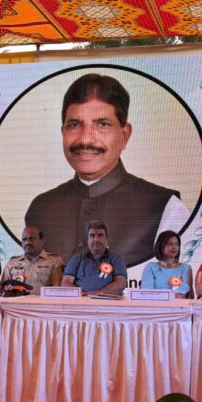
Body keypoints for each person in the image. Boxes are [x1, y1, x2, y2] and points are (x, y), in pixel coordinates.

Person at [25, 73, 188, 266]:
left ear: (124, 135)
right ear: (63, 132)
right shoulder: (40, 208)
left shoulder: (165, 206)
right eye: (74, 125)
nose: (86, 139)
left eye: (102, 124)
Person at [62, 220, 127, 295]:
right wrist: (83, 294)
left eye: (100, 235)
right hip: (81, 299)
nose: (96, 239)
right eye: (92, 235)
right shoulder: (77, 259)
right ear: (88, 240)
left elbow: (121, 283)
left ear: (106, 239)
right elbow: (65, 283)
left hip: (107, 299)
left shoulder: (116, 259)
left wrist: (99, 294)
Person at [0, 226, 63, 296]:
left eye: (32, 239)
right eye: (24, 239)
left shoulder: (54, 260)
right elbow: (3, 288)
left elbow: (56, 290)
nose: (27, 242)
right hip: (16, 302)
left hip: (42, 302)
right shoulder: (12, 262)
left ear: (42, 242)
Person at [141, 230, 193, 298]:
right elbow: (147, 293)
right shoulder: (151, 267)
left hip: (178, 304)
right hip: (153, 303)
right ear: (161, 246)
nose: (174, 247)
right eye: (170, 244)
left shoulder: (185, 268)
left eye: (176, 244)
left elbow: (183, 294)